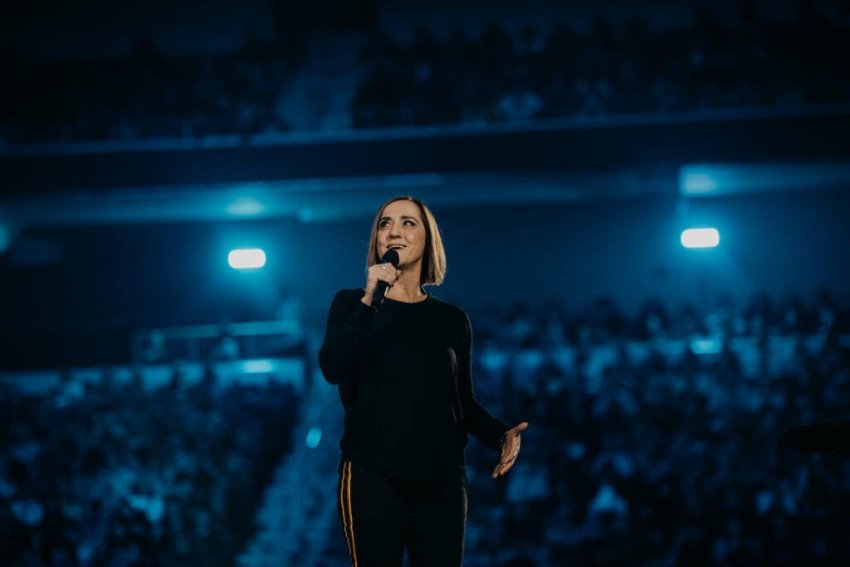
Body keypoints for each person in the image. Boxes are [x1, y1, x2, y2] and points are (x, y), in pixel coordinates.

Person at [319, 195, 529, 567]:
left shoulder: (452, 320)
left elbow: (462, 402)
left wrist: (501, 435)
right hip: (373, 475)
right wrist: (370, 299)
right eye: (385, 224)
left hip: (442, 483)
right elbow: (333, 367)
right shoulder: (352, 303)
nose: (393, 232)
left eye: (408, 222)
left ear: (428, 239)